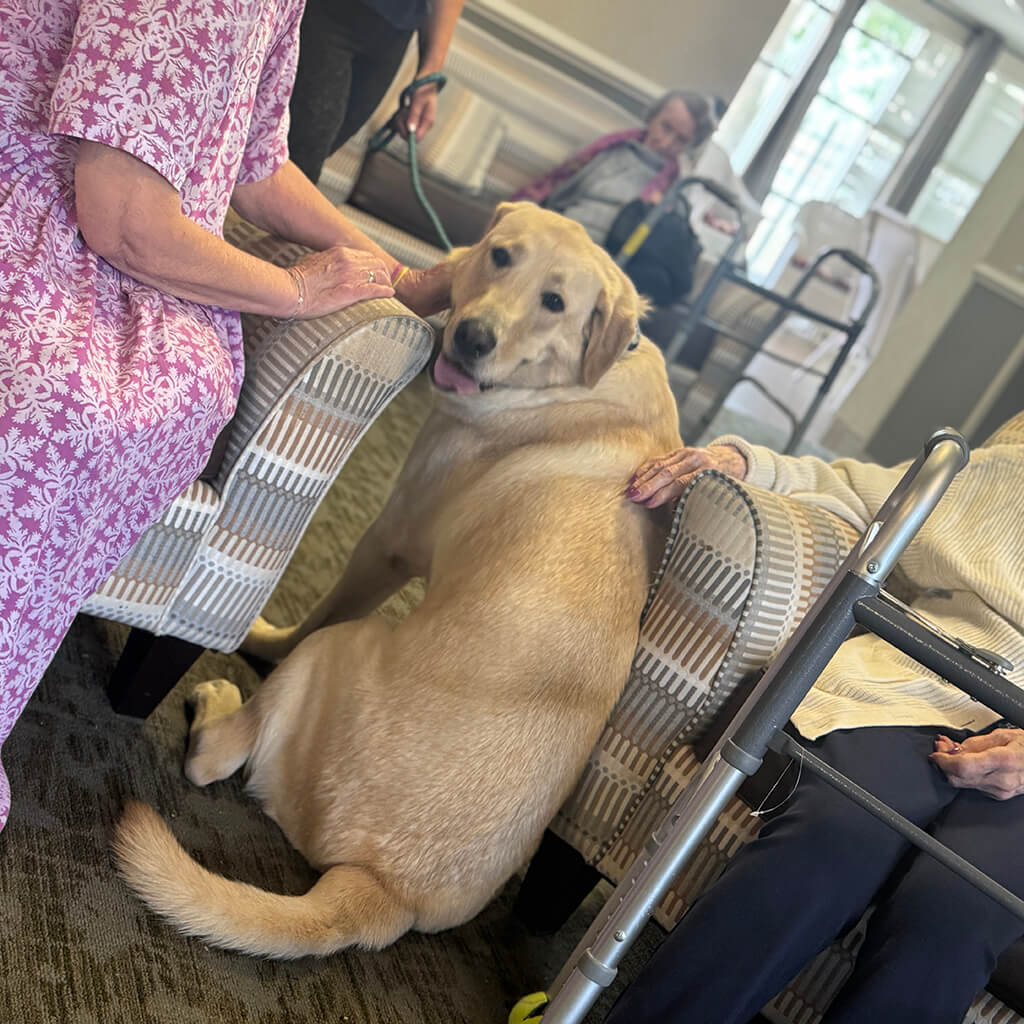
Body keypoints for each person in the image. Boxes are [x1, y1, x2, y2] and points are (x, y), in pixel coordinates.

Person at [0, 0, 450, 833]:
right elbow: (124, 221)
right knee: (72, 407)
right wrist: (295, 290)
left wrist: (388, 269)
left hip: (105, 244)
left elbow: (257, 163)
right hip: (42, 224)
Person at [614, 419, 1024, 1023]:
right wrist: (740, 463)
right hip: (927, 685)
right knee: (837, 832)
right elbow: (874, 496)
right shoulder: (1014, 472)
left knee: (954, 911)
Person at [514, 91, 754, 309]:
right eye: (665, 127)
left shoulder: (676, 191)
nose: (666, 142)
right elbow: (557, 190)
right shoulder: (609, 148)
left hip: (598, 268)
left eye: (681, 140)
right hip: (557, 238)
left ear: (691, 145)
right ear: (653, 117)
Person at [287, 0, 466, 185]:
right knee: (300, 161)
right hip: (326, 12)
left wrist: (430, 72)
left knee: (309, 157)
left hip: (394, 30)